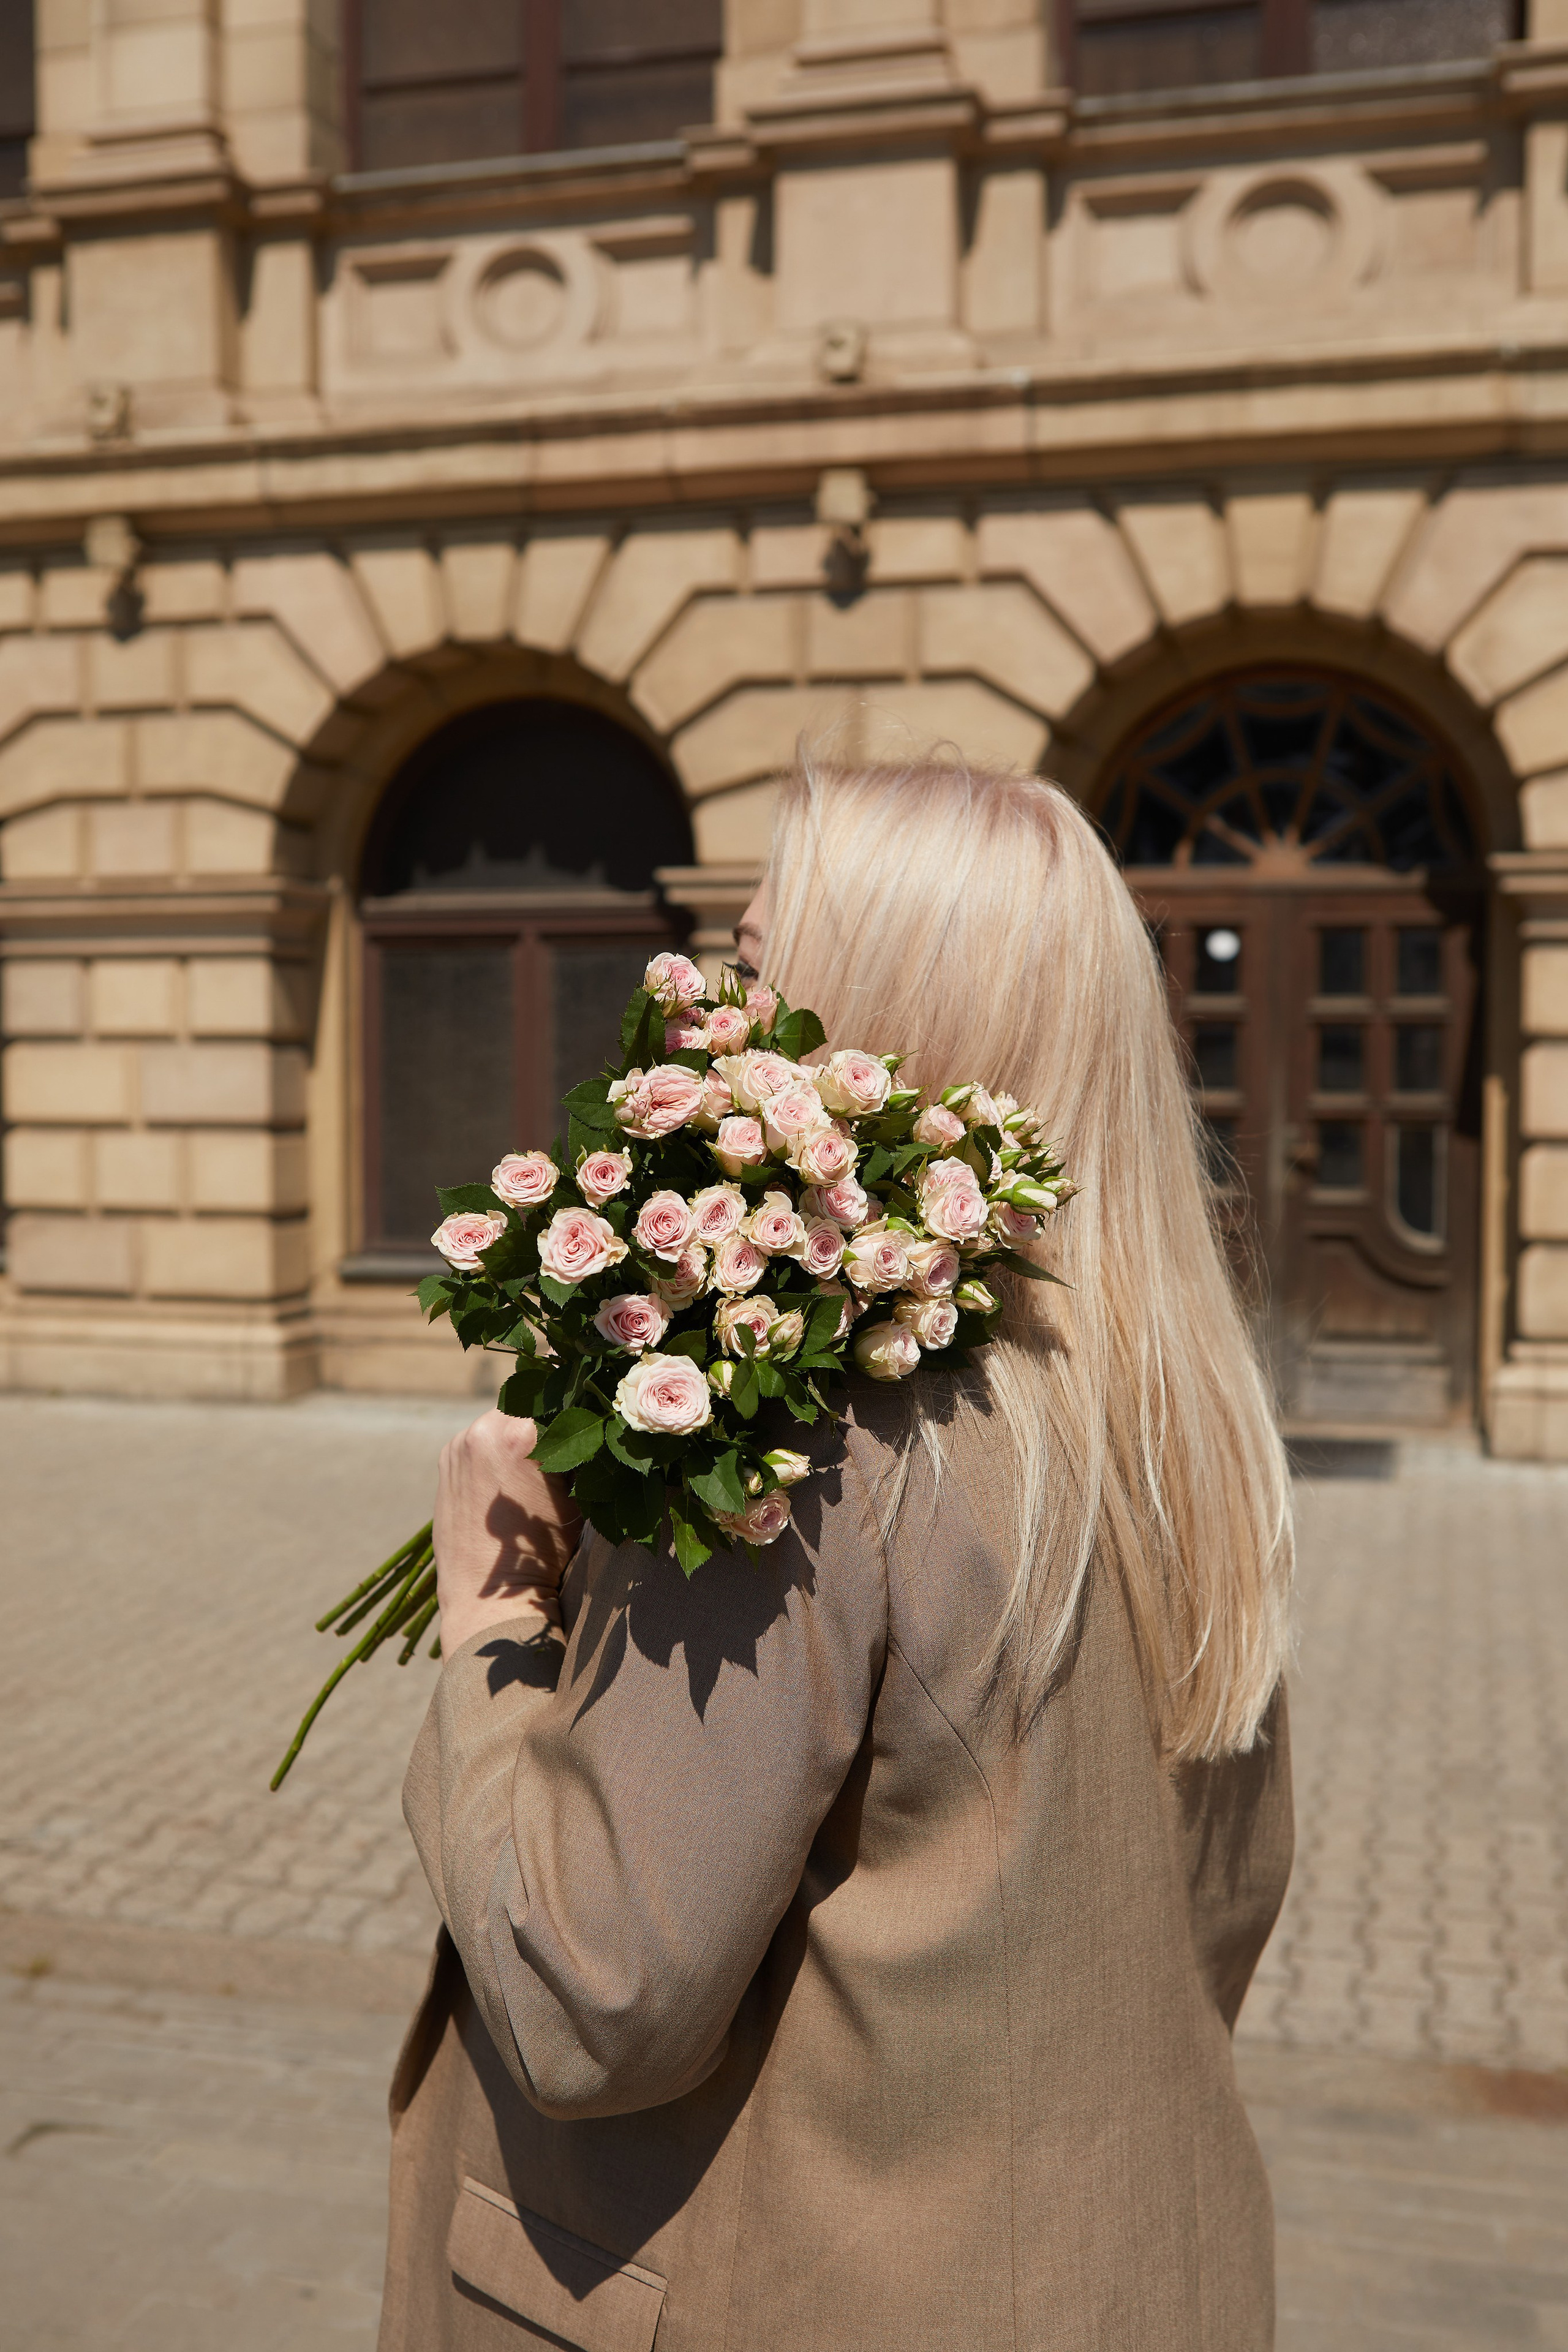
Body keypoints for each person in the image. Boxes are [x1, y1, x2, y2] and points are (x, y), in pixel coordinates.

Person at [379, 753, 1295, 2352]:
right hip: (1139, 2273)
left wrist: (499, 1617)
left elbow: (589, 1994)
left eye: (749, 958)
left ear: (861, 1010)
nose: (704, 1007)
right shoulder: (1179, 1407)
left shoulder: (807, 1429)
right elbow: (1216, 1913)